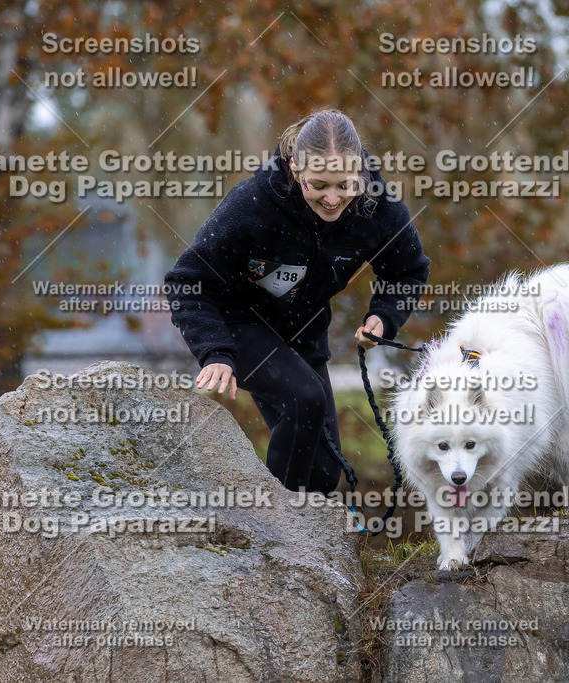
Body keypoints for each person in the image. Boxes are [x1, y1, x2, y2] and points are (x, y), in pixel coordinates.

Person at [164, 109, 430, 495]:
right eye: (318, 184)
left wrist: (384, 318)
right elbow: (186, 281)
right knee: (302, 398)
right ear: (294, 168)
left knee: (322, 475)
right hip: (238, 323)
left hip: (304, 330)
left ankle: (305, 545)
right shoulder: (252, 203)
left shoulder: (378, 208)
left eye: (344, 184)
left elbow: (408, 271)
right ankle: (275, 534)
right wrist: (215, 351)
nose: (333, 198)